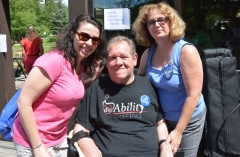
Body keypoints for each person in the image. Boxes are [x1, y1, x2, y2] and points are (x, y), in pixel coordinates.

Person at [12, 14, 105, 157]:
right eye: (84, 36)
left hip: (58, 139)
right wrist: (38, 147)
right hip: (33, 141)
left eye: (95, 39)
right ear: (73, 34)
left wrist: (92, 80)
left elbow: (69, 91)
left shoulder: (78, 63)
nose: (89, 43)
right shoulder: (54, 61)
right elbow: (23, 102)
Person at [73, 36, 173, 157]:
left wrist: (165, 147)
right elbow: (80, 129)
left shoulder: (148, 85)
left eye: (124, 57)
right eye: (113, 58)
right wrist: (94, 154)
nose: (118, 62)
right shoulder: (97, 87)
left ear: (135, 59)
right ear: (107, 61)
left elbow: (160, 123)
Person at [132, 2, 206, 156]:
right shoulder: (148, 53)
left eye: (162, 19)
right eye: (151, 22)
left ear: (171, 22)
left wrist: (178, 132)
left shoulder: (186, 51)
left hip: (189, 119)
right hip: (162, 120)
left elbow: (194, 95)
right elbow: (139, 86)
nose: (156, 24)